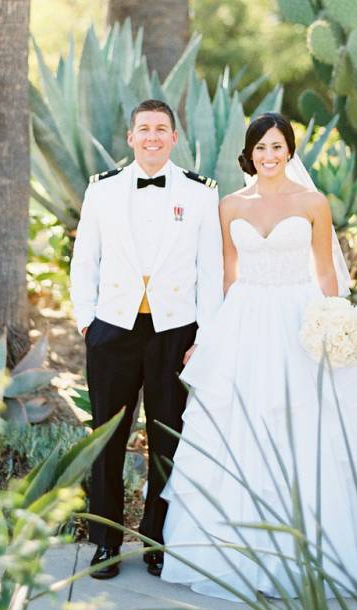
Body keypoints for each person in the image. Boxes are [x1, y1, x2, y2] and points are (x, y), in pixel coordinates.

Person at [160, 112, 357, 600]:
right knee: (242, 420)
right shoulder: (230, 206)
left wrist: (339, 328)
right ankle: (236, 545)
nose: (269, 156)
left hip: (299, 317)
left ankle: (321, 540)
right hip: (245, 321)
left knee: (310, 421)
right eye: (261, 147)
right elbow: (226, 275)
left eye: (278, 146)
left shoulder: (312, 203)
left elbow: (327, 273)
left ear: (290, 151)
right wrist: (209, 335)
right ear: (249, 152)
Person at [70, 99, 223, 579]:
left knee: (166, 440)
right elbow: (84, 259)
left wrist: (206, 335)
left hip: (174, 332)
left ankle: (157, 541)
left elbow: (211, 271)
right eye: (144, 129)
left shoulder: (201, 194)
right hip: (113, 329)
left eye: (161, 129)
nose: (153, 137)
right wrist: (86, 322)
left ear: (174, 138)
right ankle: (105, 544)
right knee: (107, 439)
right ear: (131, 138)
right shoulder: (103, 190)